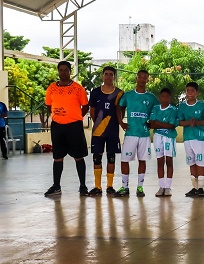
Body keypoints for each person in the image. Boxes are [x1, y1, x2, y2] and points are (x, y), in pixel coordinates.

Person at [44, 60, 90, 197]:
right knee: (57, 157)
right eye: (61, 70)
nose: (63, 72)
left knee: (78, 156)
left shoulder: (78, 88)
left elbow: (85, 106)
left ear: (70, 71)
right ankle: (56, 186)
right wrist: (57, 115)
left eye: (66, 70)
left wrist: (76, 117)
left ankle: (82, 186)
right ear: (58, 71)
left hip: (74, 126)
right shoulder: (51, 88)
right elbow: (48, 105)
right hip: (57, 126)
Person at [115, 69, 159, 197]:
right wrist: (121, 122)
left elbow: (157, 111)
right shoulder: (128, 95)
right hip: (131, 133)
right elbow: (119, 107)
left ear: (147, 79)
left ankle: (140, 187)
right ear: (136, 78)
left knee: (142, 160)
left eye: (145, 77)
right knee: (124, 160)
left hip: (144, 134)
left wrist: (152, 123)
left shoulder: (151, 98)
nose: (142, 79)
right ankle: (125, 187)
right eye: (140, 77)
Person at [87, 66, 123, 195]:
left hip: (112, 130)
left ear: (114, 77)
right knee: (97, 157)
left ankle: (109, 186)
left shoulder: (119, 93)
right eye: (106, 74)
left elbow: (121, 111)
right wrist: (98, 123)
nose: (108, 77)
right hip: (98, 130)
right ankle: (97, 187)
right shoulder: (95, 92)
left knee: (111, 158)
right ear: (102, 76)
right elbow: (92, 110)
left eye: (111, 74)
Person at [178, 82, 204, 198]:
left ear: (197, 92)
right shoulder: (182, 106)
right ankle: (194, 187)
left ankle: (201, 188)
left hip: (200, 138)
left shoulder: (202, 105)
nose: (190, 93)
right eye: (187, 90)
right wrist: (188, 123)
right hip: (187, 138)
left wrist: (196, 122)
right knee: (191, 162)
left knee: (200, 162)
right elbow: (179, 121)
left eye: (192, 90)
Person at [150, 87, 179, 197]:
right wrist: (160, 123)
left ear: (170, 98)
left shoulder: (173, 110)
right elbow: (152, 123)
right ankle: (161, 186)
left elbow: (171, 125)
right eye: (162, 96)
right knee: (160, 161)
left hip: (169, 137)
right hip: (158, 137)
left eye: (167, 97)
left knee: (169, 161)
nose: (164, 99)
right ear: (159, 97)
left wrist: (158, 123)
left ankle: (168, 187)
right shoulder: (155, 108)